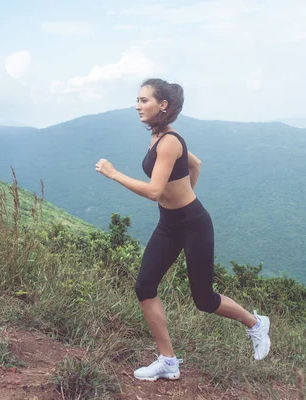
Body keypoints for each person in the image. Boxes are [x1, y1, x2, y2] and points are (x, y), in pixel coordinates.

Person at [95, 78, 270, 382]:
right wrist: (177, 200)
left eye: (144, 100)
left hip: (193, 224)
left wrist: (114, 174)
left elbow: (153, 191)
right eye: (136, 100)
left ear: (163, 105)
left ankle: (255, 324)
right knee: (144, 287)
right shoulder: (158, 135)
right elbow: (196, 165)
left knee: (204, 299)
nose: (137, 106)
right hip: (170, 223)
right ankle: (168, 361)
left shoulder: (170, 141)